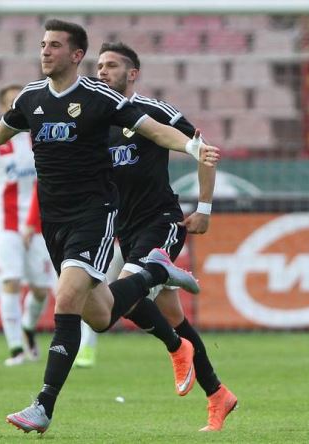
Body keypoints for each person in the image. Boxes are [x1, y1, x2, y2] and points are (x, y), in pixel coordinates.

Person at [0, 19, 220, 434]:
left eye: (54, 45)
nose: (45, 51)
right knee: (100, 315)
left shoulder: (98, 97)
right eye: (43, 44)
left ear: (76, 55)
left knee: (66, 297)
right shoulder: (31, 97)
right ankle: (158, 274)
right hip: (54, 219)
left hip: (95, 213)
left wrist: (191, 145)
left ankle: (43, 406)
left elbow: (155, 130)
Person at [95, 41, 237, 431]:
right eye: (99, 66)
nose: (102, 71)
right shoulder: (97, 120)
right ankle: (218, 395)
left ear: (132, 74)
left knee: (120, 299)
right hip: (124, 231)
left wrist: (204, 209)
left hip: (161, 223)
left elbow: (204, 150)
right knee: (173, 318)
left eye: (111, 66)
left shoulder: (155, 112)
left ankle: (175, 336)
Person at [0, 84, 53, 367]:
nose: (15, 107)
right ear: (2, 107)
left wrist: (33, 221)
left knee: (40, 289)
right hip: (5, 221)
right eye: (9, 103)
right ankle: (15, 348)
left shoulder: (40, 138)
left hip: (39, 223)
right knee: (11, 281)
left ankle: (27, 327)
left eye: (19, 102)